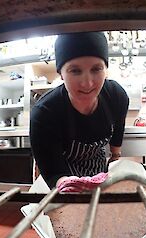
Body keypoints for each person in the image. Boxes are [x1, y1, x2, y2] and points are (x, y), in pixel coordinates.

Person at [30, 32, 129, 188]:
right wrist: (72, 188)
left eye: (96, 69)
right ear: (60, 74)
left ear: (105, 69)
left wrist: (115, 158)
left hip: (97, 167)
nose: (87, 83)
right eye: (75, 71)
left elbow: (118, 130)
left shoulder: (116, 96)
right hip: (61, 173)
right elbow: (54, 173)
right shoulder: (44, 113)